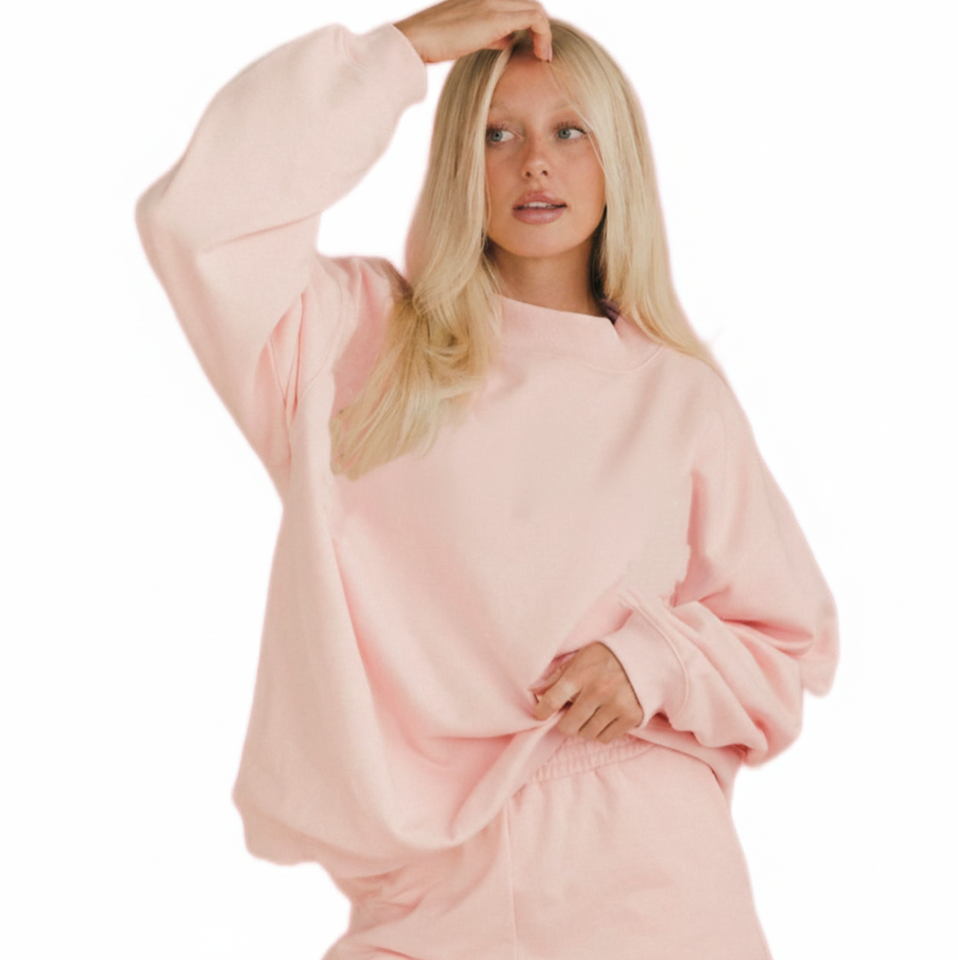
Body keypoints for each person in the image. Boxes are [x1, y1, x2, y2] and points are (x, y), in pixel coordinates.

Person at [137, 1, 838, 957]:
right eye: (496, 134)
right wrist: (398, 56)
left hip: (642, 861)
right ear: (458, 162)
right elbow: (199, 222)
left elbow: (789, 641)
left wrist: (656, 660)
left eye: (569, 131)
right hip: (419, 896)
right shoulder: (356, 345)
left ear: (618, 161)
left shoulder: (677, 396)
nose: (534, 162)